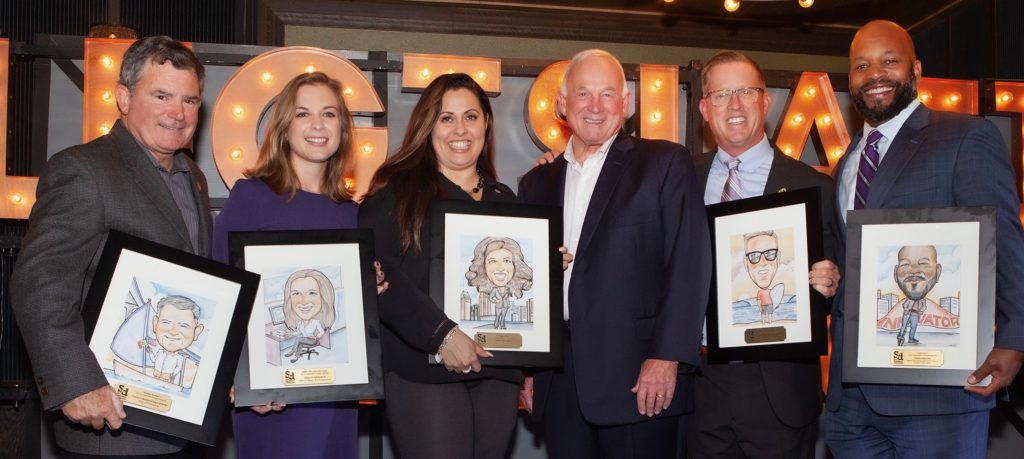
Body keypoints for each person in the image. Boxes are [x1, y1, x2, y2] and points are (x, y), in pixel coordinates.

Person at [825, 20, 1024, 458]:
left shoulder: (965, 136)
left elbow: (1006, 245)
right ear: (850, 80)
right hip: (851, 399)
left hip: (939, 395)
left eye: (889, 61)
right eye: (861, 65)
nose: (874, 73)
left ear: (915, 68)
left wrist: (1014, 339)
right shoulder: (847, 162)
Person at [9, 36, 208, 456]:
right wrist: (76, 383)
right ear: (123, 97)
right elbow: (40, 283)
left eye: (190, 100)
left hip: (181, 423)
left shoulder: (194, 177)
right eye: (162, 95)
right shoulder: (84, 170)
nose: (178, 113)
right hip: (111, 426)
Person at [517, 49, 710, 458]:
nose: (594, 107)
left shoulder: (664, 163)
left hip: (639, 376)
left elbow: (689, 266)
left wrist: (666, 356)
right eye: (583, 94)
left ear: (626, 105)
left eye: (608, 95)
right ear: (561, 104)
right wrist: (530, 369)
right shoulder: (534, 184)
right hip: (561, 380)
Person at [359, 73, 525, 459]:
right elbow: (379, 278)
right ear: (427, 125)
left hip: (497, 370)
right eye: (446, 118)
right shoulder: (395, 194)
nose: (459, 129)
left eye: (470, 116)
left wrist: (548, 267)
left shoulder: (509, 201)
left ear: (487, 122)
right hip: (421, 367)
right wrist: (442, 335)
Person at [212, 71, 375, 459]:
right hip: (270, 397)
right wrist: (242, 378)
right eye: (303, 114)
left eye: (329, 114)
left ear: (343, 130)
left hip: (334, 391)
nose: (317, 125)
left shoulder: (353, 215)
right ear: (284, 128)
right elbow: (223, 290)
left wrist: (373, 287)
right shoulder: (250, 197)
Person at [688, 49, 838, 459]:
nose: (734, 105)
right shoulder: (680, 175)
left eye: (745, 92)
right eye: (720, 95)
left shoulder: (815, 187)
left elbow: (840, 288)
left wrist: (832, 281)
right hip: (700, 386)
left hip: (780, 389)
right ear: (704, 108)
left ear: (765, 101)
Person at [465, 236, 534, 330]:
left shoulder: (508, 289)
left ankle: (502, 325)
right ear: (483, 266)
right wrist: (495, 301)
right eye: (492, 261)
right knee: (498, 316)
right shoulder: (494, 290)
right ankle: (496, 325)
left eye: (506, 261)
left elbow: (507, 297)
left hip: (505, 305)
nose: (500, 268)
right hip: (498, 305)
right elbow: (490, 297)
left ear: (515, 266)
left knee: (503, 316)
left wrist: (507, 303)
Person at [145, 295, 205, 386]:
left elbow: (178, 368)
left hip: (168, 375)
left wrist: (174, 374)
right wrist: (149, 351)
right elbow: (153, 359)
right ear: (155, 324)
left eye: (184, 326)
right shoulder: (159, 352)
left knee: (165, 382)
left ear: (196, 332)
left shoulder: (179, 358)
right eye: (166, 322)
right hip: (156, 372)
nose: (173, 332)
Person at [281, 269, 337, 362]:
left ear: (323, 297)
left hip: (313, 340)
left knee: (299, 340)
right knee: (299, 340)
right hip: (304, 340)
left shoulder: (316, 322)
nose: (303, 302)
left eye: (312, 293)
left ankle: (292, 351)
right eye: (296, 293)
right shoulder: (300, 323)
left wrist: (316, 337)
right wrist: (291, 333)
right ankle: (296, 357)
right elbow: (299, 333)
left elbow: (322, 333)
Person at [892, 245, 942, 346]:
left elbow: (923, 307)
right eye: (905, 264)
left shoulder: (922, 300)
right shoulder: (908, 300)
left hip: (915, 314)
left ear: (938, 272)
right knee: (904, 326)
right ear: (895, 274)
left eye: (924, 263)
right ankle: (901, 336)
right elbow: (905, 305)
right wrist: (907, 310)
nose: (914, 271)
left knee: (914, 326)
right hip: (907, 313)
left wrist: (919, 311)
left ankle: (911, 338)